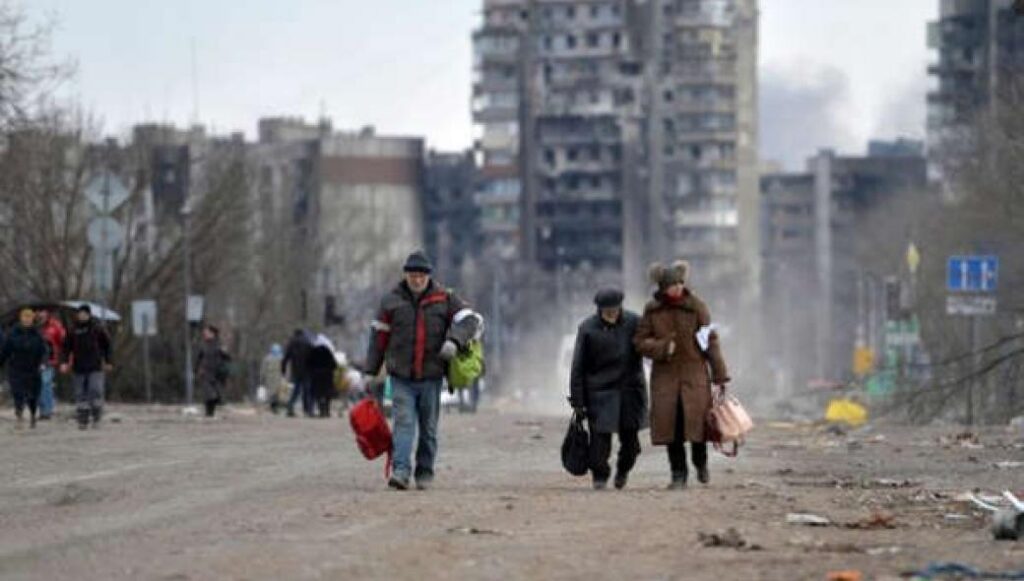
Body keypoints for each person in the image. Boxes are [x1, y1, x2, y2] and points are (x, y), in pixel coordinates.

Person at [365, 250, 480, 491]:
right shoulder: (391, 301)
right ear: (406, 275)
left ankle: (425, 470)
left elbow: (471, 321)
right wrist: (371, 371)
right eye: (412, 275)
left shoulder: (445, 299)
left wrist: (454, 341)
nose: (416, 280)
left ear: (428, 276)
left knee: (428, 428)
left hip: (431, 376)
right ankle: (401, 471)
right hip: (401, 377)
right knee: (404, 423)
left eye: (421, 275)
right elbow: (378, 338)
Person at [634, 261, 730, 489]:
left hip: (694, 375)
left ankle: (701, 464)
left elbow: (711, 341)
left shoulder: (696, 307)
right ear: (662, 287)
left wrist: (720, 375)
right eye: (672, 285)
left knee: (697, 428)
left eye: (679, 283)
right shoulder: (652, 310)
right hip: (665, 379)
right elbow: (639, 342)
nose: (677, 288)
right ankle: (678, 475)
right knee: (672, 430)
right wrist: (662, 347)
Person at [569, 289, 648, 490]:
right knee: (599, 442)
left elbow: (648, 347)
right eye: (607, 311)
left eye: (614, 309)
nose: (611, 314)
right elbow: (578, 367)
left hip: (630, 390)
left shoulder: (634, 322)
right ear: (599, 310)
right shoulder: (587, 329)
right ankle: (600, 476)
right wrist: (578, 401)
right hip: (600, 392)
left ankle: (623, 470)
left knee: (631, 444)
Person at [61, 304, 113, 430]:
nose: (82, 316)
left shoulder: (97, 329)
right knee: (80, 394)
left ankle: (96, 417)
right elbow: (66, 348)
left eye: (85, 313)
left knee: (95, 391)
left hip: (95, 366)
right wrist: (64, 362)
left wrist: (108, 361)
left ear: (89, 315)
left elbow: (107, 346)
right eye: (80, 313)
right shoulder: (72, 330)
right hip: (78, 367)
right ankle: (82, 420)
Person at [0, 308, 49, 429]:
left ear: (32, 319)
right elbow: (5, 351)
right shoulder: (13, 333)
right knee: (18, 393)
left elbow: (44, 351)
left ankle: (32, 414)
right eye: (24, 317)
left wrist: (43, 363)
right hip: (16, 368)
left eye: (29, 317)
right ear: (21, 318)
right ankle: (19, 415)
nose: (27, 319)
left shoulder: (37, 334)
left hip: (33, 369)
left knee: (33, 395)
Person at [36, 309, 66, 421]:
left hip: (50, 360)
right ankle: (43, 410)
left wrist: (63, 359)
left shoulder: (55, 326)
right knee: (39, 386)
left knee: (45, 384)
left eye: (43, 314)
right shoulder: (36, 327)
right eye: (40, 314)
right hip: (37, 361)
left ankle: (47, 411)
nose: (41, 316)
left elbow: (63, 341)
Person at [195, 324, 230, 418]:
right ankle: (208, 414)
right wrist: (197, 369)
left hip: (217, 374)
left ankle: (210, 413)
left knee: (216, 396)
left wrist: (225, 353)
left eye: (206, 332)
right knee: (209, 394)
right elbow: (198, 358)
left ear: (212, 333)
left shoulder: (219, 344)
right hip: (206, 373)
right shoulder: (203, 345)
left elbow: (228, 358)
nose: (204, 334)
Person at [281, 329, 313, 417]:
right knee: (307, 390)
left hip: (296, 370)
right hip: (307, 370)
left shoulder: (291, 343)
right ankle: (308, 410)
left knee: (296, 390)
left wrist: (283, 370)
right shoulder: (308, 342)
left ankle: (290, 408)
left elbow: (285, 358)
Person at [308, 334, 339, 418]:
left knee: (318, 394)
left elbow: (308, 364)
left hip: (316, 376)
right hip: (327, 376)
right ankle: (327, 410)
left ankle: (321, 409)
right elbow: (334, 365)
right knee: (327, 394)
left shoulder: (313, 351)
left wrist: (312, 371)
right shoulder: (327, 351)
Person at [261, 343, 288, 414]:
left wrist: (262, 378)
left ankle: (273, 406)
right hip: (278, 377)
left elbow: (263, 369)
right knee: (276, 393)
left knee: (272, 393)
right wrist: (285, 377)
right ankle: (275, 407)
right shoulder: (281, 358)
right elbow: (285, 369)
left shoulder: (267, 359)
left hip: (270, 377)